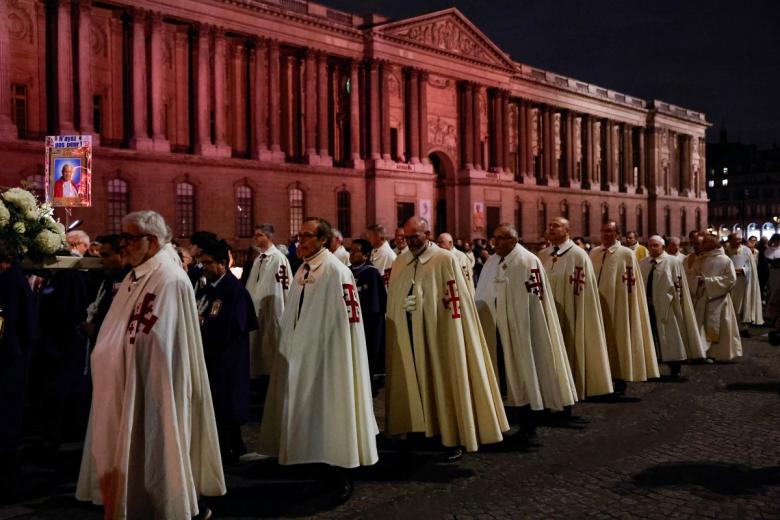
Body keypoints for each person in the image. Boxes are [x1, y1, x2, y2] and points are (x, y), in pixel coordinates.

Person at [76, 210, 225, 520]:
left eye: (130, 239)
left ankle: (167, 504)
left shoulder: (168, 278)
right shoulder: (138, 274)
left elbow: (156, 339)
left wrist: (119, 355)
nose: (124, 246)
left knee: (157, 444)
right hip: (128, 377)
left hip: (154, 382)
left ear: (152, 241)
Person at [260, 217, 378, 504]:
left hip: (328, 357)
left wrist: (328, 354)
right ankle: (321, 474)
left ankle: (341, 477)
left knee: (332, 415)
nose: (301, 241)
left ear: (323, 239)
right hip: (304, 357)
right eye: (299, 235)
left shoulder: (335, 271)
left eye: (308, 236)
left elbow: (345, 321)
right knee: (313, 418)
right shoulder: (304, 268)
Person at [385, 216, 508, 459]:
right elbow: (396, 295)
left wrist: (423, 307)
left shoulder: (445, 259)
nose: (410, 242)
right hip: (409, 334)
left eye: (415, 237)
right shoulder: (401, 261)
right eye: (406, 237)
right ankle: (414, 429)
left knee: (445, 380)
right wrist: (403, 308)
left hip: (440, 333)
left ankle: (451, 436)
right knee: (412, 380)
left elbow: (455, 298)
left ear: (427, 234)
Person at [475, 224, 577, 437]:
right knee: (506, 373)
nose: (496, 243)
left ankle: (529, 423)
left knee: (526, 371)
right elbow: (483, 292)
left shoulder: (527, 261)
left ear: (513, 240)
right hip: (496, 329)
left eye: (501, 239)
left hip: (523, 329)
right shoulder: (492, 261)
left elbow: (534, 300)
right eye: (494, 238)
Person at [196, 240, 257, 463]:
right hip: (212, 354)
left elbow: (236, 324)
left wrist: (203, 323)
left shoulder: (234, 290)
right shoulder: (210, 288)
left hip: (228, 357)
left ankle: (233, 447)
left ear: (223, 264)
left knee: (227, 401)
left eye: (209, 263)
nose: (205, 267)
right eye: (202, 263)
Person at [538, 217, 613, 398]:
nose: (551, 228)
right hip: (546, 315)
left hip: (571, 316)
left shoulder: (578, 256)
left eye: (556, 226)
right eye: (550, 225)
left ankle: (568, 396)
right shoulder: (543, 255)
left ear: (567, 230)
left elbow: (586, 293)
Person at [590, 221, 659, 393]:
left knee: (619, 341)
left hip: (618, 306)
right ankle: (599, 379)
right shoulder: (594, 253)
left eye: (610, 231)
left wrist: (627, 305)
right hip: (596, 305)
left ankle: (619, 378)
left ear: (617, 234)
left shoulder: (626, 254)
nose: (606, 234)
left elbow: (631, 284)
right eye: (604, 231)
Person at [638, 236, 706, 379]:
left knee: (671, 337)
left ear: (663, 247)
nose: (652, 248)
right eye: (650, 246)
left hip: (667, 306)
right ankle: (651, 368)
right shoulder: (643, 263)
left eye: (656, 245)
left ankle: (675, 368)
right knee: (650, 337)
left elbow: (678, 283)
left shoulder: (673, 262)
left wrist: (678, 302)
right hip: (648, 306)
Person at [0, 240, 36, 500]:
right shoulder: (12, 279)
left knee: (7, 423)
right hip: (11, 357)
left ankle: (10, 484)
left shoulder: (10, 281)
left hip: (9, 360)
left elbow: (13, 324)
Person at [244, 224, 291, 379]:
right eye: (255, 235)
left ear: (269, 237)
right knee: (257, 346)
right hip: (257, 309)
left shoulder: (278, 259)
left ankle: (268, 381)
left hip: (272, 309)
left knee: (269, 345)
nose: (255, 238)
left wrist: (280, 310)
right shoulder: (259, 259)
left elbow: (283, 286)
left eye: (259, 235)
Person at [686, 232, 742, 361]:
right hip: (702, 297)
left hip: (719, 299)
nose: (701, 245)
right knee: (701, 326)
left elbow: (731, 280)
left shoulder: (725, 260)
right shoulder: (701, 259)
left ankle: (718, 353)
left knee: (720, 326)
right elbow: (691, 275)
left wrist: (707, 282)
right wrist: (697, 281)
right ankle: (702, 352)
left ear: (712, 244)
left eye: (705, 243)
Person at [349, 238, 387, 395]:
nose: (350, 254)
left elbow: (379, 302)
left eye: (354, 251)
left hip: (370, 322)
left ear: (365, 255)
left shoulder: (371, 273)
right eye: (350, 250)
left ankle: (368, 386)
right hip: (353, 321)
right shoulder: (348, 271)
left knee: (368, 355)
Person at [82, 234, 131, 343]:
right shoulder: (108, 277)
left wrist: (96, 330)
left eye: (106, 256)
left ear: (122, 255)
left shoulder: (127, 281)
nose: (102, 261)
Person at [725, 233, 764, 335]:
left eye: (739, 239)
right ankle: (731, 327)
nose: (738, 241)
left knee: (742, 304)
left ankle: (743, 328)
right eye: (736, 240)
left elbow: (751, 267)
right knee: (730, 304)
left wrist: (743, 270)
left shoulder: (746, 250)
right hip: (729, 281)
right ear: (730, 240)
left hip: (742, 281)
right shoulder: (725, 250)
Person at [765, 233, 780, 325]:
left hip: (779, 272)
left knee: (777, 292)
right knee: (771, 292)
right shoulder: (768, 250)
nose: (777, 242)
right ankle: (770, 314)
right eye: (776, 240)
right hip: (771, 273)